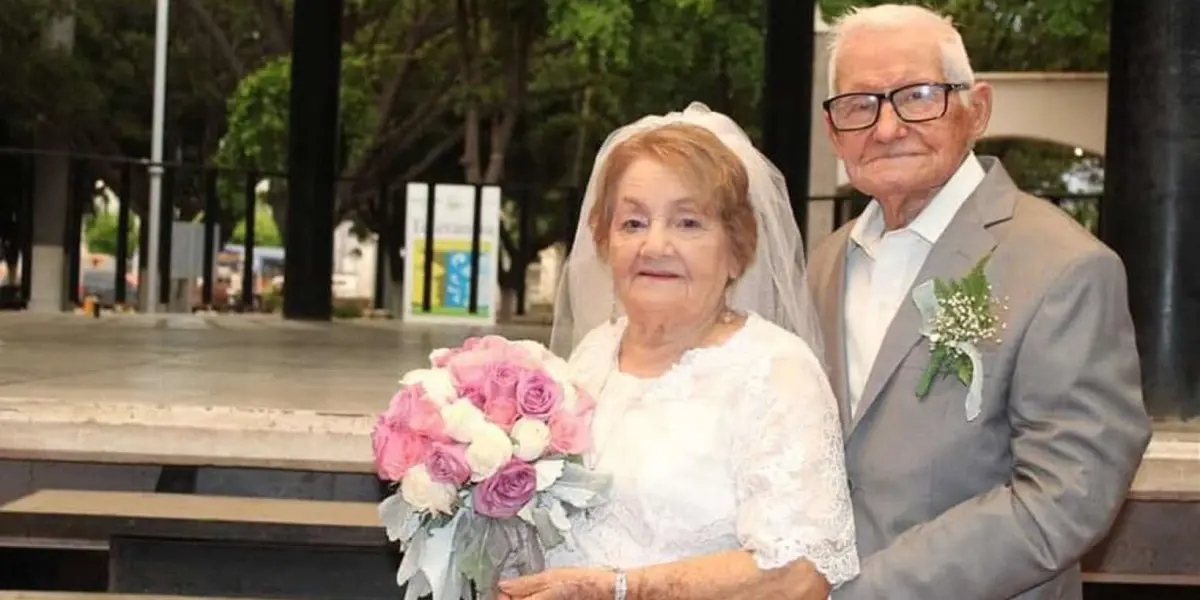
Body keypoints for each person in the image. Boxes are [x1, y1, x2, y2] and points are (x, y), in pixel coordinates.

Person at [805, 5, 1152, 599]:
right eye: (860, 105)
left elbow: (1066, 495)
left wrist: (866, 589)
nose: (886, 128)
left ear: (977, 109)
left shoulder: (1065, 266)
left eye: (917, 95)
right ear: (835, 132)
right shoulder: (824, 263)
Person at [497, 103, 859, 600]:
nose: (655, 245)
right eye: (632, 223)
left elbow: (799, 575)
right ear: (604, 242)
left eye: (688, 223)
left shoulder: (776, 371)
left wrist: (620, 590)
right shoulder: (593, 353)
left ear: (736, 249)